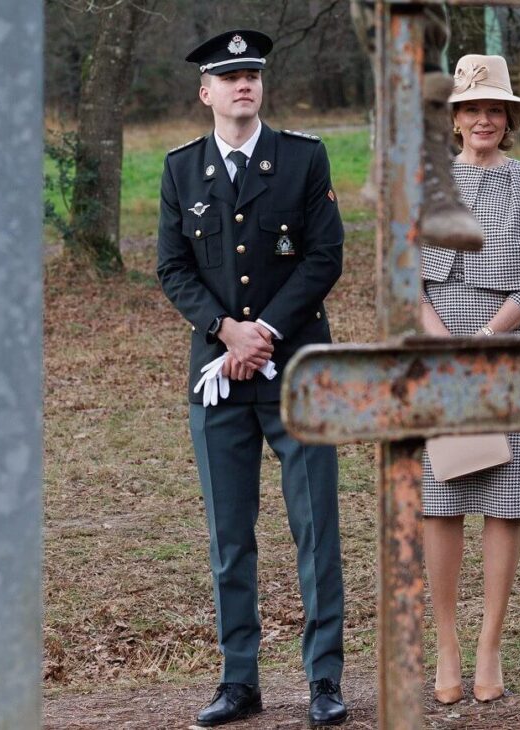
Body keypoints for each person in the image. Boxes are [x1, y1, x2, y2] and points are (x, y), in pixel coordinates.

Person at [156, 30, 348, 727]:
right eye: (228, 76)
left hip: (296, 372)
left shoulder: (301, 159)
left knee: (316, 530)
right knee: (230, 537)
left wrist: (262, 329)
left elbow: (325, 256)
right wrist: (226, 331)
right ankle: (241, 681)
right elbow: (172, 266)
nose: (243, 85)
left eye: (252, 75)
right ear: (205, 91)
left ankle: (324, 679)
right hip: (218, 378)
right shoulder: (182, 171)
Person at [419, 53, 520, 705]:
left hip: (509, 349)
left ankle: (489, 647)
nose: (483, 119)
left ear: (508, 119)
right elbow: (402, 273)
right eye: (472, 108)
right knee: (441, 497)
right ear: (455, 119)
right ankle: (447, 645)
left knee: (507, 500)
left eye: (494, 109)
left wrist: (486, 338)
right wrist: (443, 343)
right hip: (438, 350)